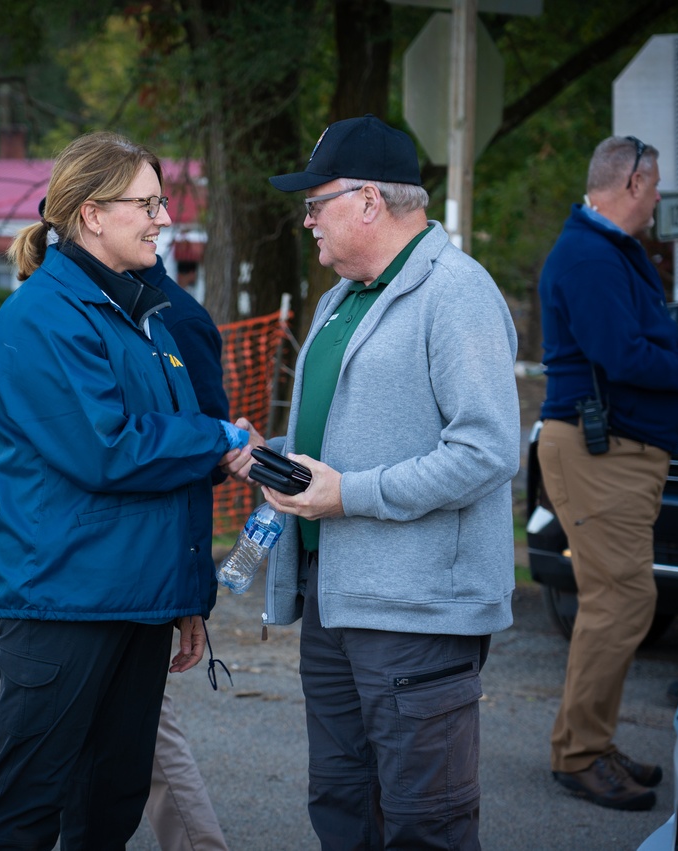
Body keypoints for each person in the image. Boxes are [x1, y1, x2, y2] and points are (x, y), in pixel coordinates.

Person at [223, 114, 521, 849]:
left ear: (367, 202)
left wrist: (346, 494)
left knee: (426, 823)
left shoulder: (457, 293)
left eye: (315, 202)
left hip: (415, 613)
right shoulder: (336, 301)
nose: (306, 220)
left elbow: (487, 449)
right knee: (343, 805)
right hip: (334, 599)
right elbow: (348, 438)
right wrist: (278, 455)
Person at [0, 131, 253, 850]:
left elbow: (172, 459)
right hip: (66, 601)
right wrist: (220, 439)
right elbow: (109, 450)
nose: (163, 218)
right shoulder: (42, 319)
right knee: (28, 806)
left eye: (163, 202)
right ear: (92, 213)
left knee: (111, 803)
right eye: (147, 203)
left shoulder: (144, 317)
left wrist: (186, 594)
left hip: (137, 601)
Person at [537, 135, 678, 812]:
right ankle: (579, 754)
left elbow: (650, 339)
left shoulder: (607, 251)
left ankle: (588, 741)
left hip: (614, 446)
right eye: (658, 185)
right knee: (620, 602)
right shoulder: (588, 254)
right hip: (598, 447)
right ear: (635, 183)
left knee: (622, 601)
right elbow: (623, 354)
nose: (662, 197)